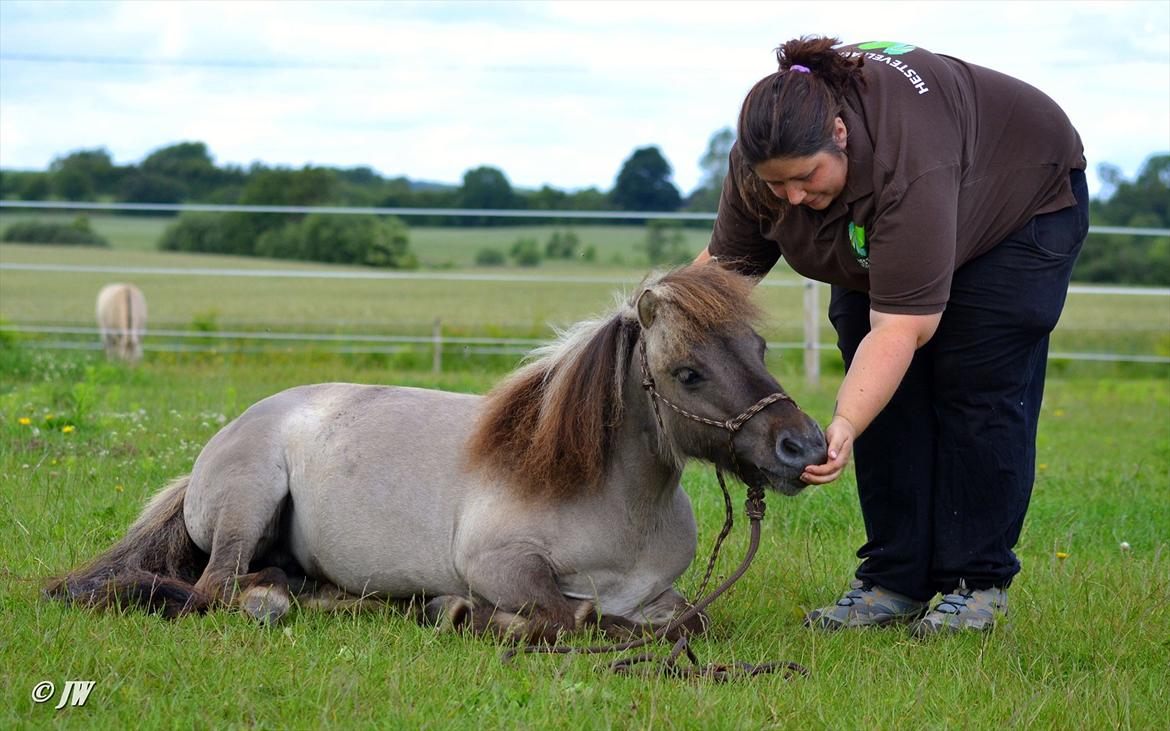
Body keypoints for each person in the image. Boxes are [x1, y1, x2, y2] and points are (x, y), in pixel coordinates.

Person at [695, 37, 1087, 635]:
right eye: (779, 188)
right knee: (882, 386)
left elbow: (902, 330)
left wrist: (843, 424)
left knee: (974, 386)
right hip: (888, 224)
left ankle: (975, 585)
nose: (794, 198)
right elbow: (720, 279)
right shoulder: (765, 160)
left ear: (840, 133)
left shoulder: (909, 164)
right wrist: (648, 331)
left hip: (1017, 204)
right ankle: (893, 582)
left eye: (805, 178)